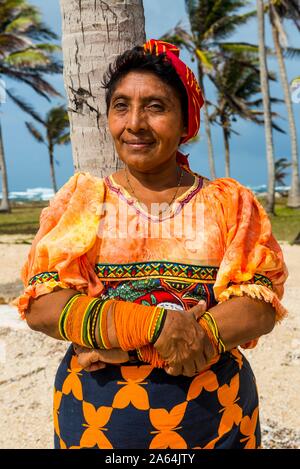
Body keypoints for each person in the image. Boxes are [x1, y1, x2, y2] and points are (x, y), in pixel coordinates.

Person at [17, 39, 288, 450]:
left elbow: (259, 305)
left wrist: (199, 335)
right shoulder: (83, 202)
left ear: (185, 122)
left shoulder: (229, 204)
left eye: (156, 107)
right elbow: (41, 306)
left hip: (214, 417)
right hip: (97, 419)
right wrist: (156, 327)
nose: (135, 124)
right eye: (121, 106)